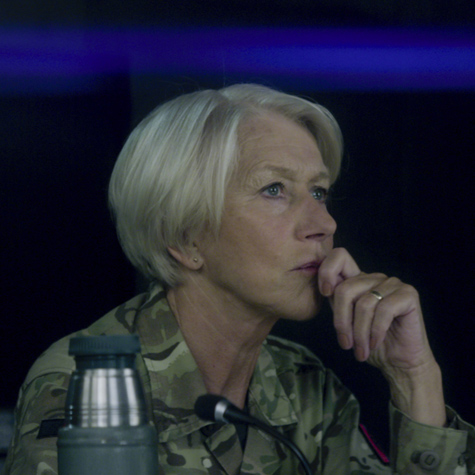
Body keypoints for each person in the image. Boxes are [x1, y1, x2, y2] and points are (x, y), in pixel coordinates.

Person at [4, 84, 474, 475]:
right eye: (274, 189)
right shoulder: (86, 384)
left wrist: (414, 378)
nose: (324, 224)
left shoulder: (305, 386)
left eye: (318, 192)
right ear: (184, 236)